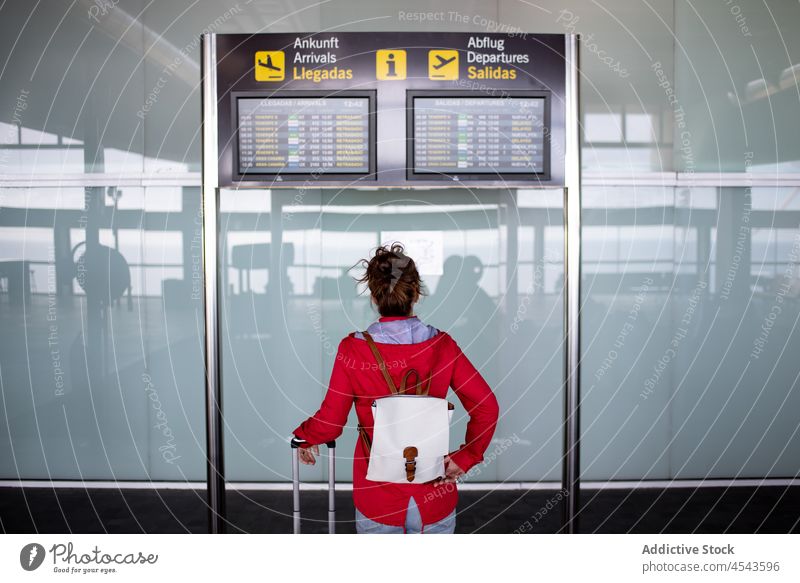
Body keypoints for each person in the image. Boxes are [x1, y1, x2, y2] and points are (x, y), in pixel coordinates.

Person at [292, 242, 499, 534]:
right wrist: (466, 457)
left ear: (375, 296)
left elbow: (331, 422)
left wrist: (304, 436)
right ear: (416, 293)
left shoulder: (353, 349)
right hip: (434, 494)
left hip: (378, 496)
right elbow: (487, 406)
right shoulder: (443, 345)